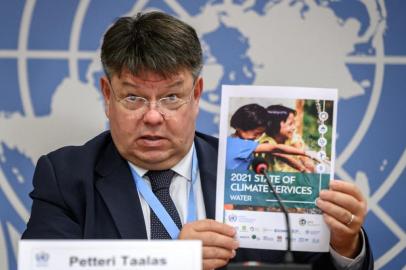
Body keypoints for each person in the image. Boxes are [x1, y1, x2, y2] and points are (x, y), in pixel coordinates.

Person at [22, 11, 373, 270]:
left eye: (172, 97)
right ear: (107, 94)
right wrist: (169, 262)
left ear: (197, 93)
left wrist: (344, 246)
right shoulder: (66, 177)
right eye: (133, 98)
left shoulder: (253, 169)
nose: (154, 116)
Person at [227, 103, 317, 171]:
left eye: (260, 133)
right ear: (240, 127)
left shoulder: (240, 141)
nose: (258, 137)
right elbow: (275, 149)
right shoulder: (247, 144)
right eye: (256, 133)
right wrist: (305, 156)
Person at [259, 105, 319, 173]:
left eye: (294, 123)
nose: (294, 128)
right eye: (290, 124)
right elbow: (279, 152)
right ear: (275, 125)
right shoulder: (266, 141)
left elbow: (306, 161)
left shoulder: (292, 139)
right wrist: (302, 169)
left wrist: (307, 162)